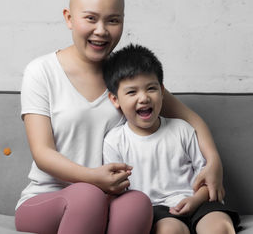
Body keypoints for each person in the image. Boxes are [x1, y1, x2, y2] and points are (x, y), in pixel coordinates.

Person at [15, 0, 225, 234]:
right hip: (48, 200)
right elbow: (43, 153)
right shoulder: (41, 71)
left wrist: (214, 161)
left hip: (109, 200)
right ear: (69, 18)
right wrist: (93, 178)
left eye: (113, 20)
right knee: (87, 196)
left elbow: (192, 120)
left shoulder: (127, 76)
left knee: (138, 202)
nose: (101, 30)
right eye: (90, 18)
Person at [102, 44, 240, 234]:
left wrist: (195, 200)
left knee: (219, 226)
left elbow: (209, 179)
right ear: (115, 99)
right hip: (157, 210)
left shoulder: (182, 129)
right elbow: (116, 192)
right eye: (132, 92)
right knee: (169, 231)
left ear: (162, 91)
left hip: (198, 201)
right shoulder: (115, 141)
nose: (143, 98)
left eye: (151, 88)